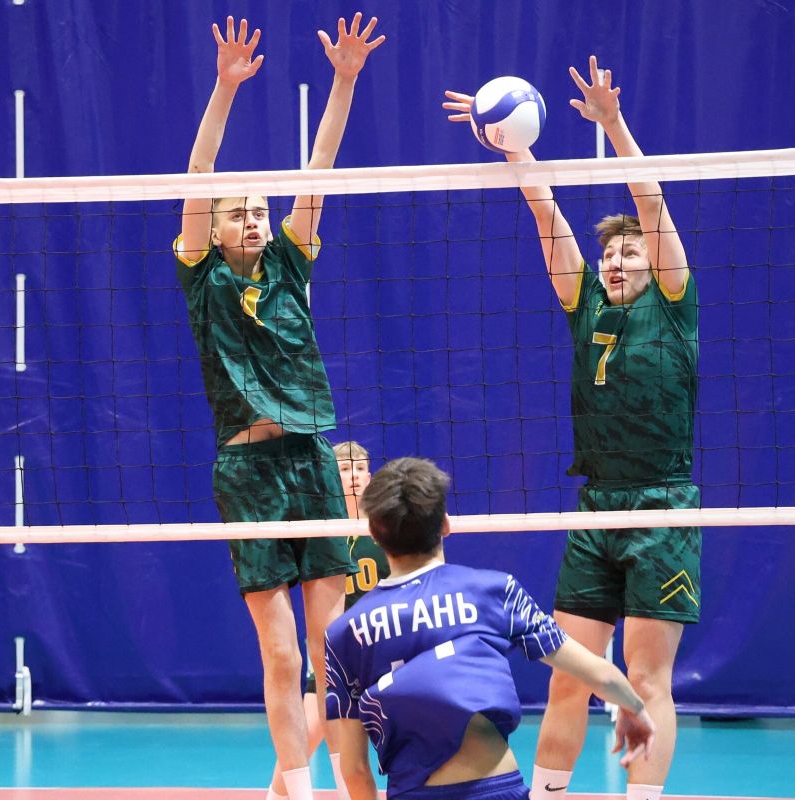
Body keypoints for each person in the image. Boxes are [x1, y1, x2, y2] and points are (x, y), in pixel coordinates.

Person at [444, 55, 697, 800]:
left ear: (654, 263)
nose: (616, 261)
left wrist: (612, 123)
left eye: (629, 252)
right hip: (597, 508)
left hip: (662, 506)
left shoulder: (673, 306)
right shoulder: (584, 302)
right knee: (568, 678)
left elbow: (650, 201)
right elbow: (543, 210)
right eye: (609, 253)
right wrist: (514, 147)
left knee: (647, 679)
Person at [173, 15, 384, 800]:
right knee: (282, 653)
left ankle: (348, 781)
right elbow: (200, 169)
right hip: (248, 471)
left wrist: (345, 80)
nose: (255, 220)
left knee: (333, 652)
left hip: (310, 459)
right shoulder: (202, 276)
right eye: (240, 213)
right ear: (216, 226)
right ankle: (296, 788)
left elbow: (320, 163)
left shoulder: (292, 265)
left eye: (260, 210)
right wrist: (225, 88)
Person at [324, 457, 655, 800]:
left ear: (373, 533)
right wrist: (634, 707)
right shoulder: (493, 591)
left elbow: (355, 769)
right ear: (446, 524)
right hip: (497, 790)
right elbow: (599, 674)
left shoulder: (344, 632)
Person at [267, 441, 388, 799]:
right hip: (332, 651)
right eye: (345, 469)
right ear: (331, 477)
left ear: (370, 476)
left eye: (360, 468)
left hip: (381, 648)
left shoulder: (386, 530)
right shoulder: (320, 531)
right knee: (308, 733)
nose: (354, 476)